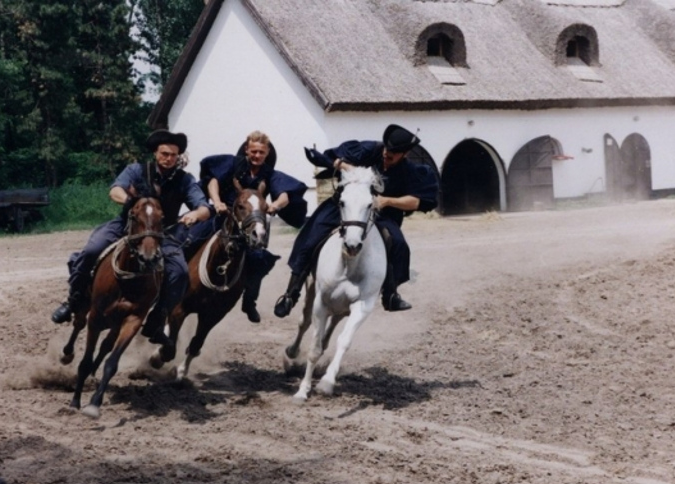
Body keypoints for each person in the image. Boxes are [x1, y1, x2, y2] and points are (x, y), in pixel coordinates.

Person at [51, 129, 211, 353]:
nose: (169, 158)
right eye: (165, 153)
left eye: (174, 155)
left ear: (179, 157)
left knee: (180, 273)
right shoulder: (136, 170)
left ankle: (157, 319)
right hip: (125, 226)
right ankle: (73, 300)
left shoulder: (185, 180)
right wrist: (131, 202)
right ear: (156, 153)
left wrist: (195, 214)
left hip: (161, 234)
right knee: (91, 251)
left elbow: (204, 207)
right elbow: (115, 190)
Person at [273, 124, 439, 318]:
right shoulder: (368, 150)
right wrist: (347, 167)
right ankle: (291, 293)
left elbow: (418, 201)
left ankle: (390, 294)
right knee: (311, 236)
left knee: (396, 243)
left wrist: (386, 201)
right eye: (387, 149)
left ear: (405, 154)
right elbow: (331, 156)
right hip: (343, 206)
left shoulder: (411, 171)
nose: (387, 154)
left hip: (381, 213)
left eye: (394, 153)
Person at [186, 131, 308, 322]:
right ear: (246, 150)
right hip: (223, 215)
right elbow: (213, 181)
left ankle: (249, 301)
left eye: (261, 152)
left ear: (267, 152)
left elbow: (284, 194)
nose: (257, 155)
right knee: (190, 238)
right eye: (253, 151)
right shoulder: (233, 164)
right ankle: (171, 288)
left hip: (251, 223)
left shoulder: (270, 175)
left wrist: (275, 205)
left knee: (258, 259)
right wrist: (217, 201)